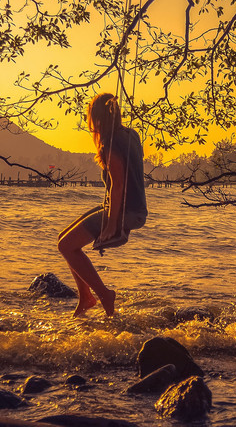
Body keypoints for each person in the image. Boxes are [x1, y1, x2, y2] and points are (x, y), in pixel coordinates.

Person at [57, 93, 147, 316]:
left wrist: (110, 226)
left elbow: (118, 186)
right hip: (134, 209)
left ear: (96, 118)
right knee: (64, 240)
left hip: (127, 212)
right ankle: (86, 298)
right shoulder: (131, 135)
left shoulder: (110, 143)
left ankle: (104, 294)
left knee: (66, 246)